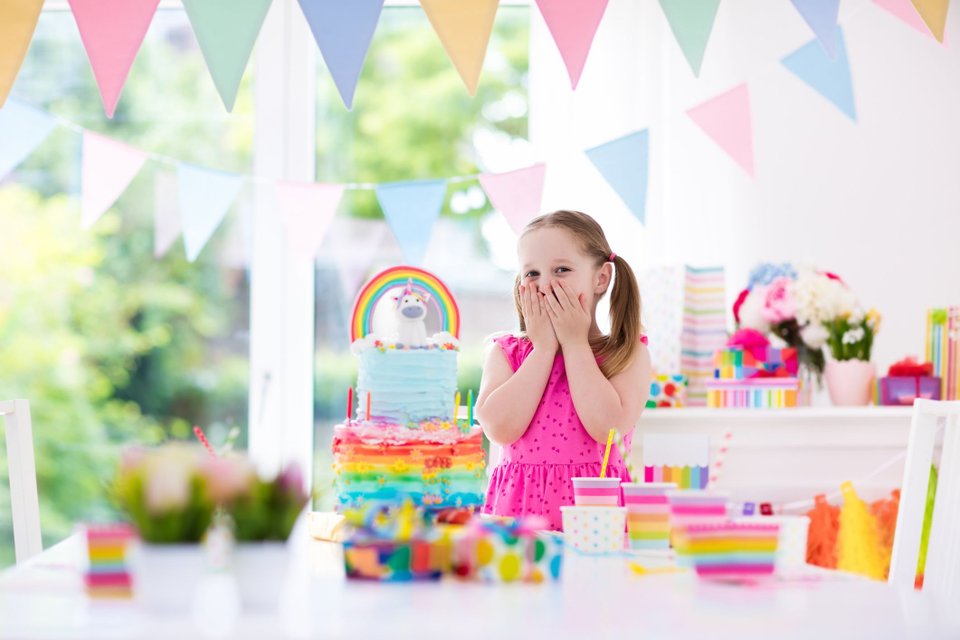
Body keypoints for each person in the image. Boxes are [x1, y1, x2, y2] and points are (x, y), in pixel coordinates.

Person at [475, 210, 652, 530]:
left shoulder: (628, 352)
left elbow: (608, 430)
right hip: (518, 524)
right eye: (532, 274)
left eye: (562, 270)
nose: (545, 285)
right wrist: (543, 350)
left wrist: (574, 344)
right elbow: (499, 428)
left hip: (596, 524)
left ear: (601, 278)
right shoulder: (506, 352)